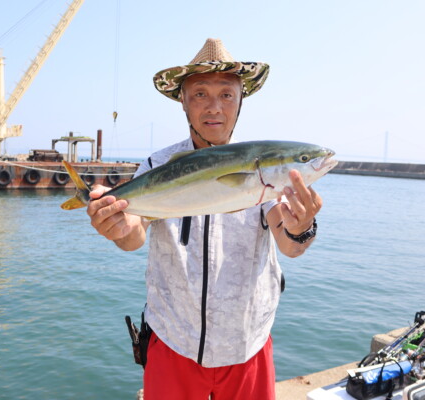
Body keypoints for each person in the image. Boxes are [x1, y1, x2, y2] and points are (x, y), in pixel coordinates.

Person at [87, 38, 324, 400]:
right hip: (172, 341)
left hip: (247, 345)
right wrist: (118, 228)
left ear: (241, 99)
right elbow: (134, 234)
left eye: (227, 95)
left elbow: (289, 243)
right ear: (183, 100)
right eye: (200, 94)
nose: (214, 107)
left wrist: (301, 227)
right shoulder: (158, 165)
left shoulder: (264, 168)